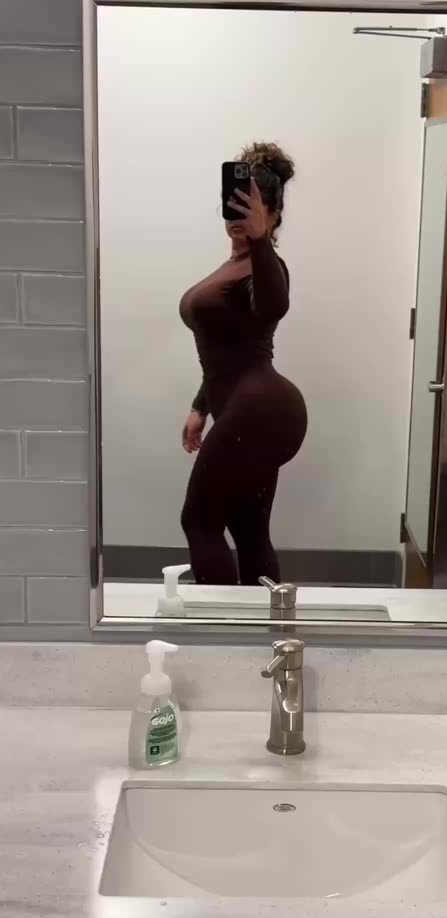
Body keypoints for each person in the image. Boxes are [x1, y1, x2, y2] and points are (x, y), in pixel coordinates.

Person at [179, 142, 307, 585]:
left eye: (252, 207)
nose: (239, 215)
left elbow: (272, 307)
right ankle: (264, 620)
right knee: (249, 529)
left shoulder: (267, 265)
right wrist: (200, 406)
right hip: (248, 409)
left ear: (273, 215)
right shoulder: (233, 265)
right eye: (234, 202)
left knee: (199, 521)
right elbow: (225, 346)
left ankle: (220, 624)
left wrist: (260, 240)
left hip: (260, 410)